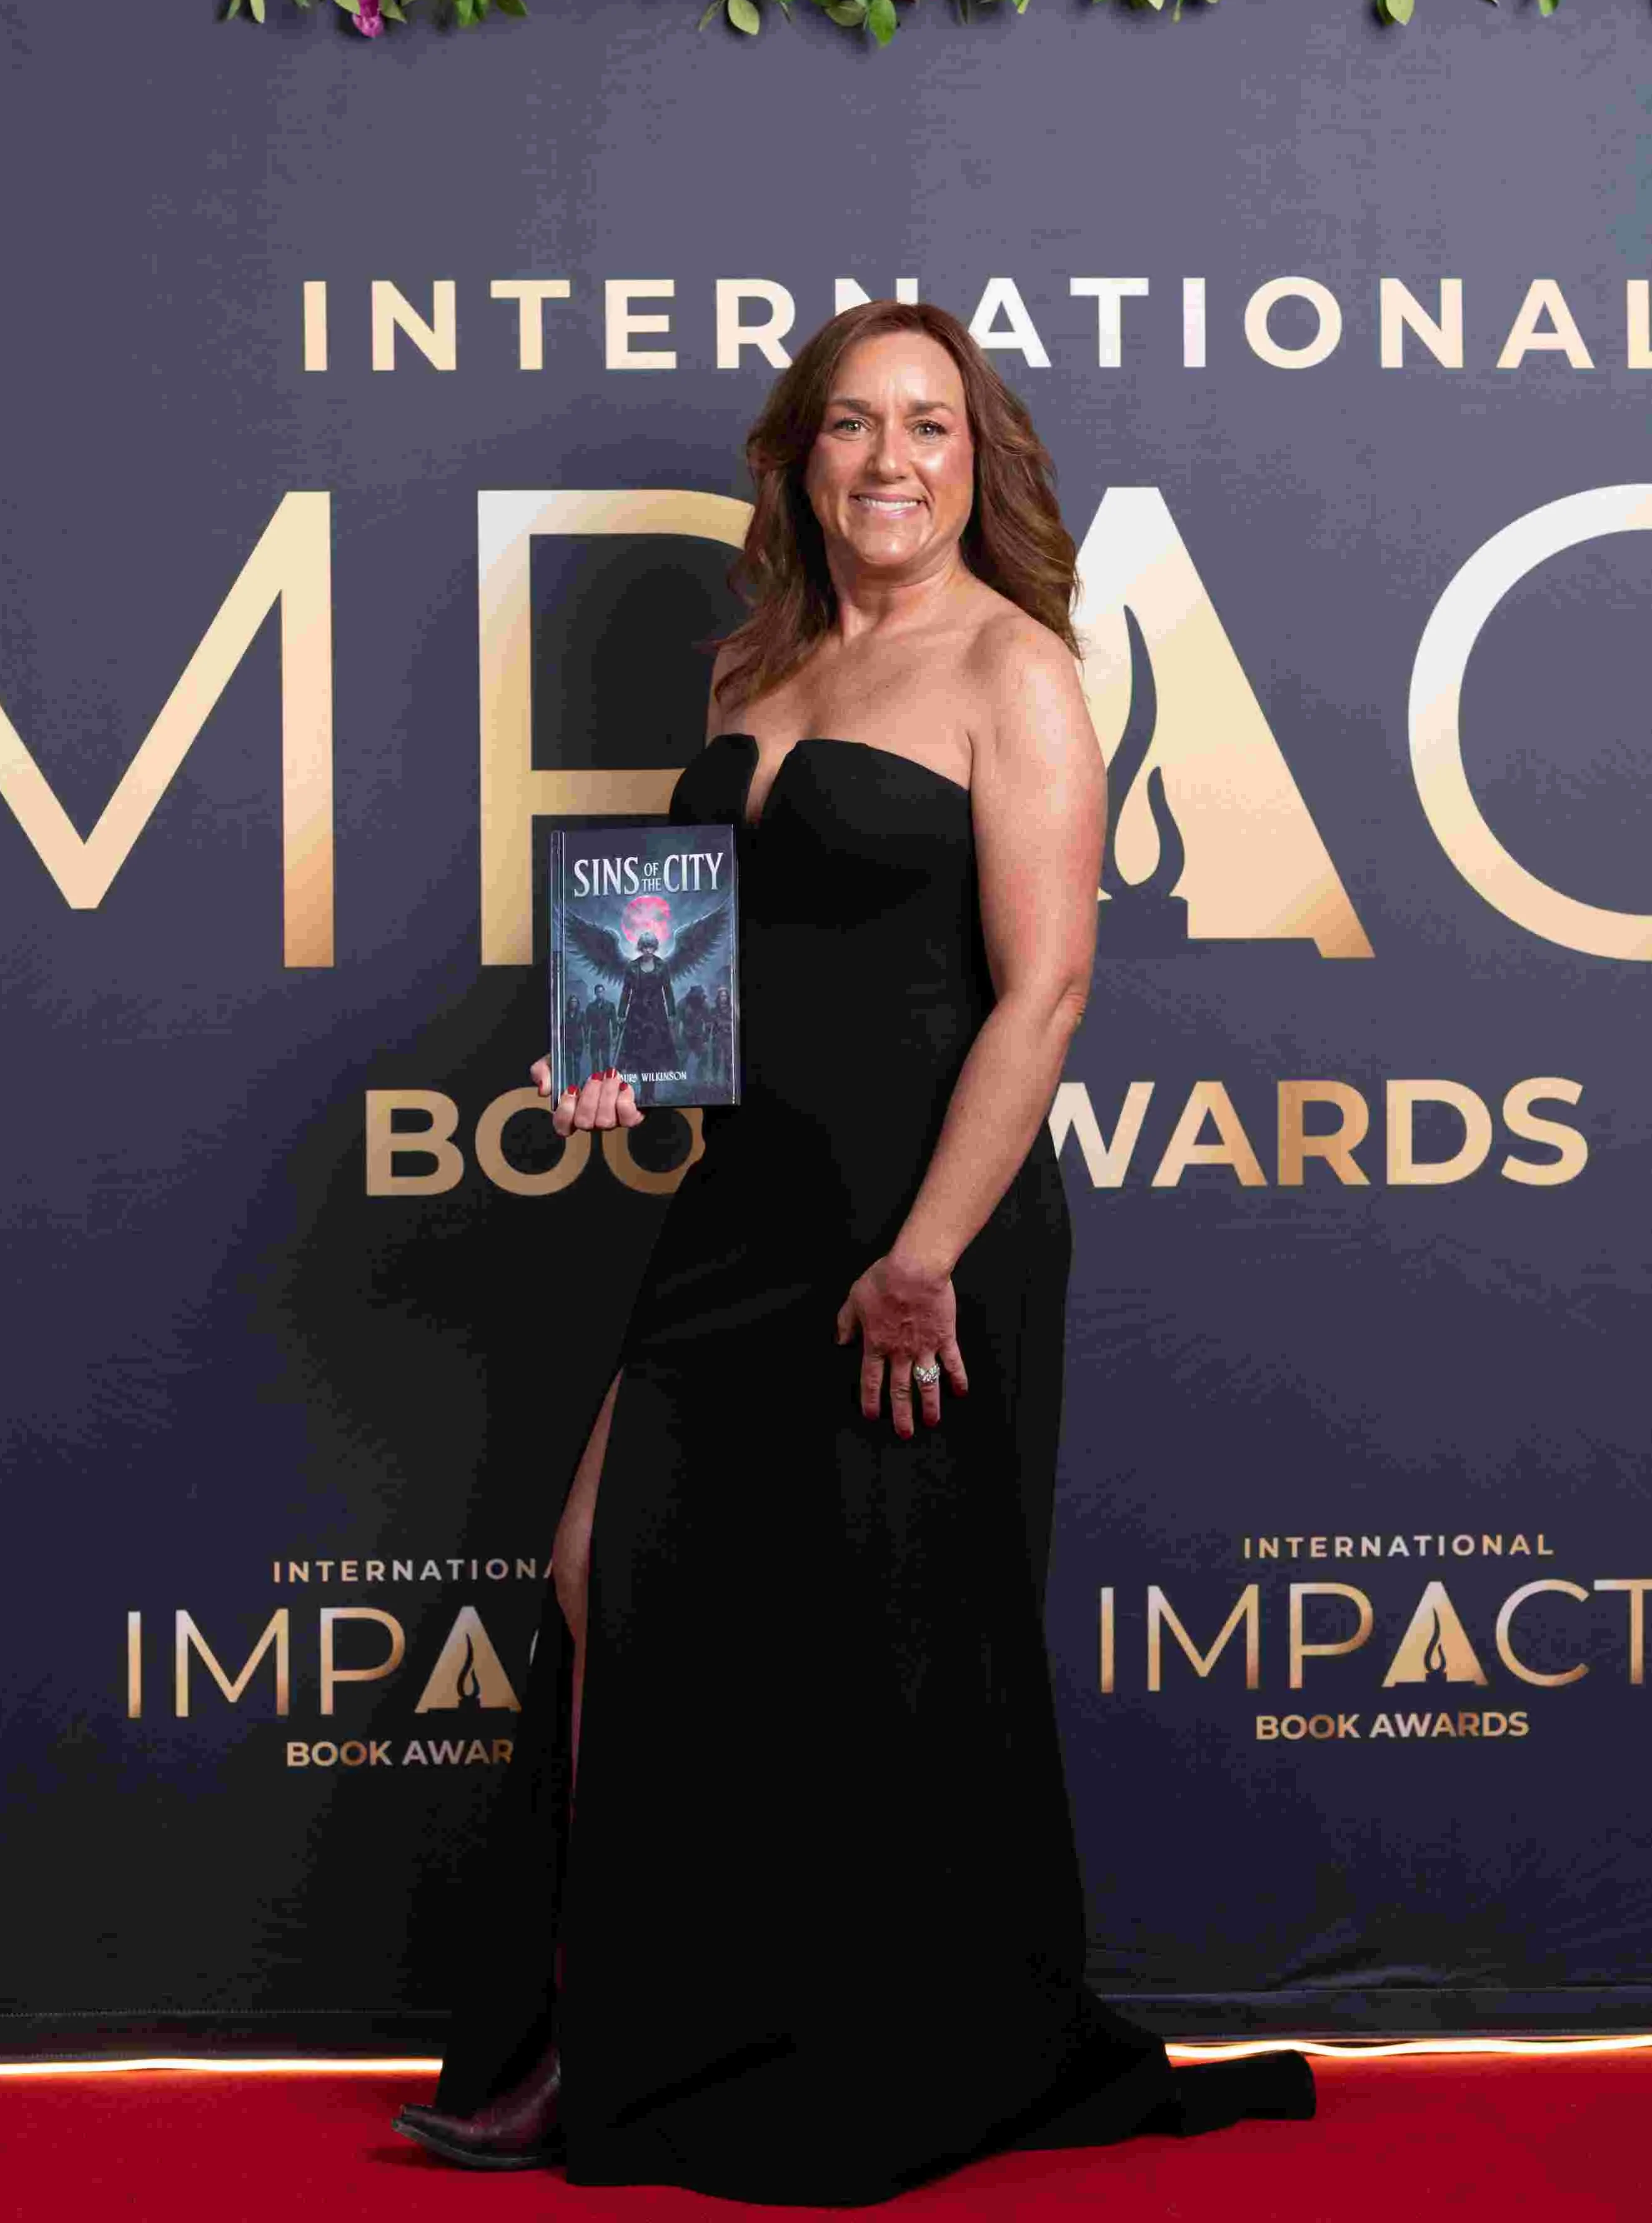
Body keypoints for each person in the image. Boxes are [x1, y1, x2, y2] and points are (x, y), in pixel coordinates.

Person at [395, 300, 1314, 2202]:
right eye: (851, 424)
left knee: (881, 1648)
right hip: (745, 1209)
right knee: (604, 1573)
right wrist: (615, 1068)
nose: (891, 459)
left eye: (930, 424)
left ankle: (873, 2048)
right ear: (799, 458)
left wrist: (924, 1259)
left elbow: (1045, 992)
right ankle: (611, 2030)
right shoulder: (757, 664)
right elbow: (704, 982)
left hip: (930, 1233)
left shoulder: (1016, 668)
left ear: (980, 460)